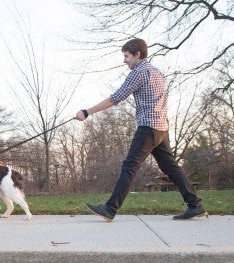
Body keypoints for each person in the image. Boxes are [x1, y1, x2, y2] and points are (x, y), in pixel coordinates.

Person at [76, 38, 208, 222]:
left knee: (130, 166)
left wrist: (86, 111)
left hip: (148, 128)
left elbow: (116, 98)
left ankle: (110, 208)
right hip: (162, 128)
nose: (124, 60)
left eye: (127, 56)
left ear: (138, 54)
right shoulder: (156, 72)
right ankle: (195, 206)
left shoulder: (139, 72)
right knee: (170, 167)